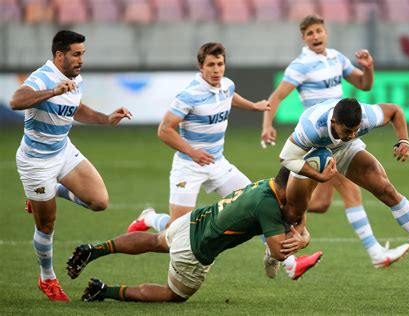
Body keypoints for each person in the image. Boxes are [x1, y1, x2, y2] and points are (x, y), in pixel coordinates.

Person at [260, 14, 409, 273]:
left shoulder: (337, 58)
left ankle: (274, 221)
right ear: (304, 39)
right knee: (351, 192)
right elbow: (277, 95)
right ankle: (375, 253)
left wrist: (369, 67)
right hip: (320, 141)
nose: (316, 36)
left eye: (319, 31)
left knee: (319, 204)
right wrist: (267, 125)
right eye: (310, 33)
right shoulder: (300, 65)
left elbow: (364, 84)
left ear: (325, 32)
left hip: (342, 135)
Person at [66, 168, 323, 303]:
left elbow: (296, 214)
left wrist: (301, 233)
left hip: (193, 220)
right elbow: (278, 251)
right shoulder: (268, 205)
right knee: (172, 295)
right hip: (197, 248)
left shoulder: (265, 186)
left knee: (157, 240)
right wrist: (304, 240)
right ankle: (104, 291)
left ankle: (95, 249)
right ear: (291, 186)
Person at [9, 30, 132, 301]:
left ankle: (51, 191)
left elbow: (74, 108)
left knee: (100, 201)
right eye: (76, 54)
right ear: (59, 55)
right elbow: (15, 101)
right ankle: (47, 277)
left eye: (83, 54)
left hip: (63, 150)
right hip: (36, 163)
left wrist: (105, 118)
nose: (81, 60)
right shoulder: (43, 77)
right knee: (46, 225)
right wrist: (52, 91)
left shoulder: (75, 77)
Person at [279, 97, 409, 269]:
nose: (354, 134)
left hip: (344, 149)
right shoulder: (311, 129)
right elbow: (286, 158)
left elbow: (395, 110)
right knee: (293, 213)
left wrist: (404, 141)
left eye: (356, 130)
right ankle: (275, 255)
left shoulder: (365, 118)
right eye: (348, 130)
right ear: (333, 122)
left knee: (386, 190)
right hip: (309, 155)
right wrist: (321, 177)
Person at [127, 42, 270, 234]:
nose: (216, 70)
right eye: (211, 65)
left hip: (218, 163)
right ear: (201, 67)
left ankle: (289, 262)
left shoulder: (227, 85)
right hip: (189, 166)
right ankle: (149, 218)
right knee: (177, 233)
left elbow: (229, 95)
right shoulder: (189, 96)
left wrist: (253, 106)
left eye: (220, 64)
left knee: (256, 206)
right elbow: (164, 130)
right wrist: (193, 153)